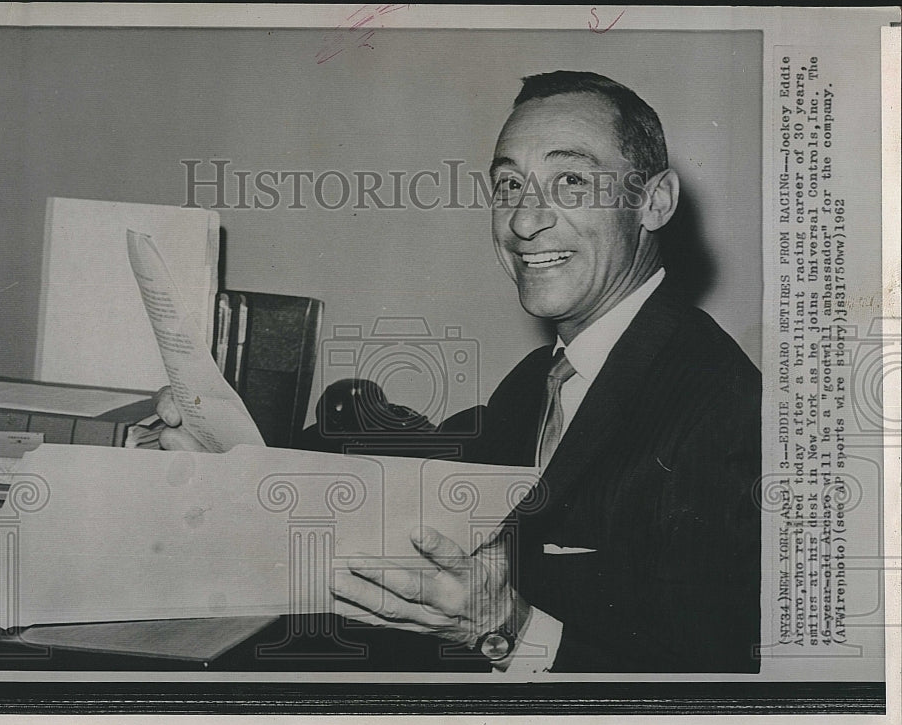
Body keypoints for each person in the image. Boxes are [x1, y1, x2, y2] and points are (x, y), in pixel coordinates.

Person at [156, 71, 761, 674]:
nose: (524, 222)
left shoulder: (723, 406)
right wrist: (236, 466)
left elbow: (719, 694)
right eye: (508, 185)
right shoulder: (539, 378)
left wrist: (504, 628)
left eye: (570, 180)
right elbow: (425, 506)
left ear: (654, 202)